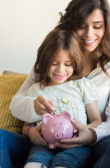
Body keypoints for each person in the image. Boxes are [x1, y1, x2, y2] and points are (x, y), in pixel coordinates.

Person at [10, 0, 110, 167]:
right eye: (81, 26)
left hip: (94, 144)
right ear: (69, 25)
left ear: (107, 27)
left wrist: (91, 134)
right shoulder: (50, 61)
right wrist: (29, 128)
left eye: (97, 26)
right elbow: (17, 102)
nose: (89, 34)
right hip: (43, 143)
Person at [22, 26, 102, 168]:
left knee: (65, 162)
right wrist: (30, 132)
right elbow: (27, 125)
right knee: (36, 159)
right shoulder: (35, 90)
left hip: (76, 144)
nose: (60, 70)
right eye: (54, 63)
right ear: (44, 61)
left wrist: (84, 131)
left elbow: (97, 120)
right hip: (44, 144)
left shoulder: (82, 85)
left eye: (67, 64)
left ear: (75, 63)